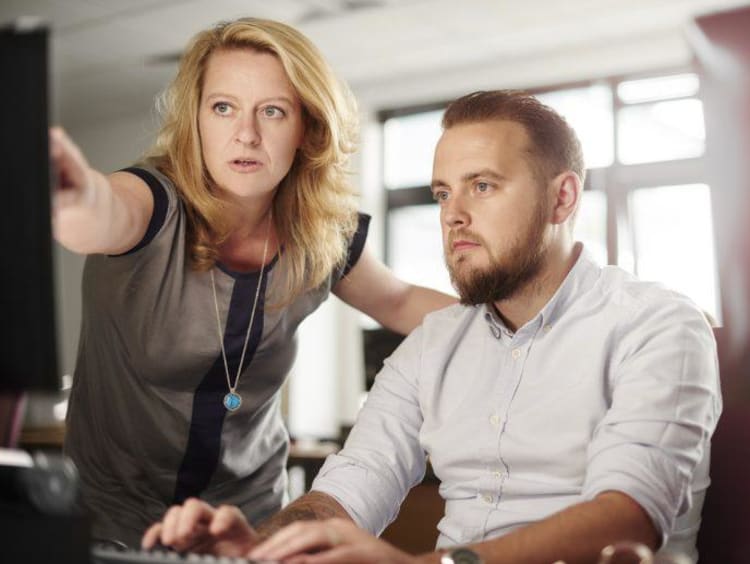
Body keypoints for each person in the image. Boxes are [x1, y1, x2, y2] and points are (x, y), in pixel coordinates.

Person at [142, 90, 722, 564]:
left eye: (483, 185)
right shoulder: (433, 344)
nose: (453, 215)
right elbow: (347, 490)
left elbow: (628, 516)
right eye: (444, 193)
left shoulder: (658, 324)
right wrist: (260, 546)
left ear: (562, 198)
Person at [51, 17, 455, 547]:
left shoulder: (320, 234)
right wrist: (71, 193)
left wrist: (520, 319)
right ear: (196, 120)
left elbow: (399, 300)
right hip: (112, 520)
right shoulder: (151, 202)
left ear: (306, 128)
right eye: (223, 108)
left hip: (251, 521)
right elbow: (98, 213)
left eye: (272, 111)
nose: (246, 134)